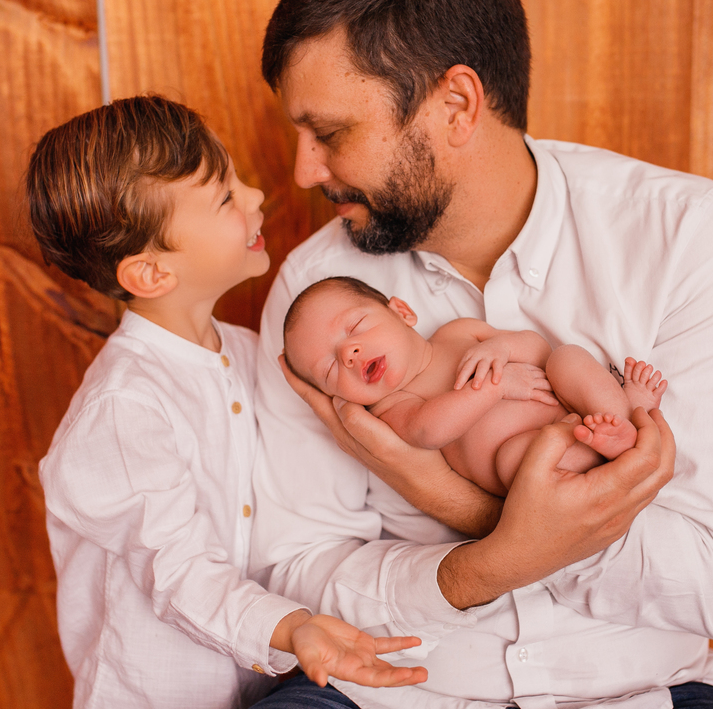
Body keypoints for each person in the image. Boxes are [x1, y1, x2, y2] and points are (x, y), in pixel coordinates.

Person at [251, 0, 713, 709]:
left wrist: (456, 504)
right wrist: (481, 571)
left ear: (456, 105)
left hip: (634, 691)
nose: (301, 172)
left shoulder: (682, 234)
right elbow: (291, 565)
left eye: (330, 133)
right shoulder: (315, 294)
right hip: (392, 694)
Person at [26, 95, 427, 709]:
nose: (256, 195)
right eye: (223, 196)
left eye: (237, 178)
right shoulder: (125, 408)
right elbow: (176, 570)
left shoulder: (246, 353)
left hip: (253, 686)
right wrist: (291, 627)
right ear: (152, 274)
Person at [283, 275, 669, 496]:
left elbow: (535, 348)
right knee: (514, 460)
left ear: (402, 312)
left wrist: (503, 347)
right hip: (534, 459)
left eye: (355, 328)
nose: (349, 353)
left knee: (564, 357)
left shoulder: (457, 332)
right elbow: (428, 430)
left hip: (566, 405)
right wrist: (494, 389)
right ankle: (601, 449)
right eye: (331, 368)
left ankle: (624, 416)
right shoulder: (393, 407)